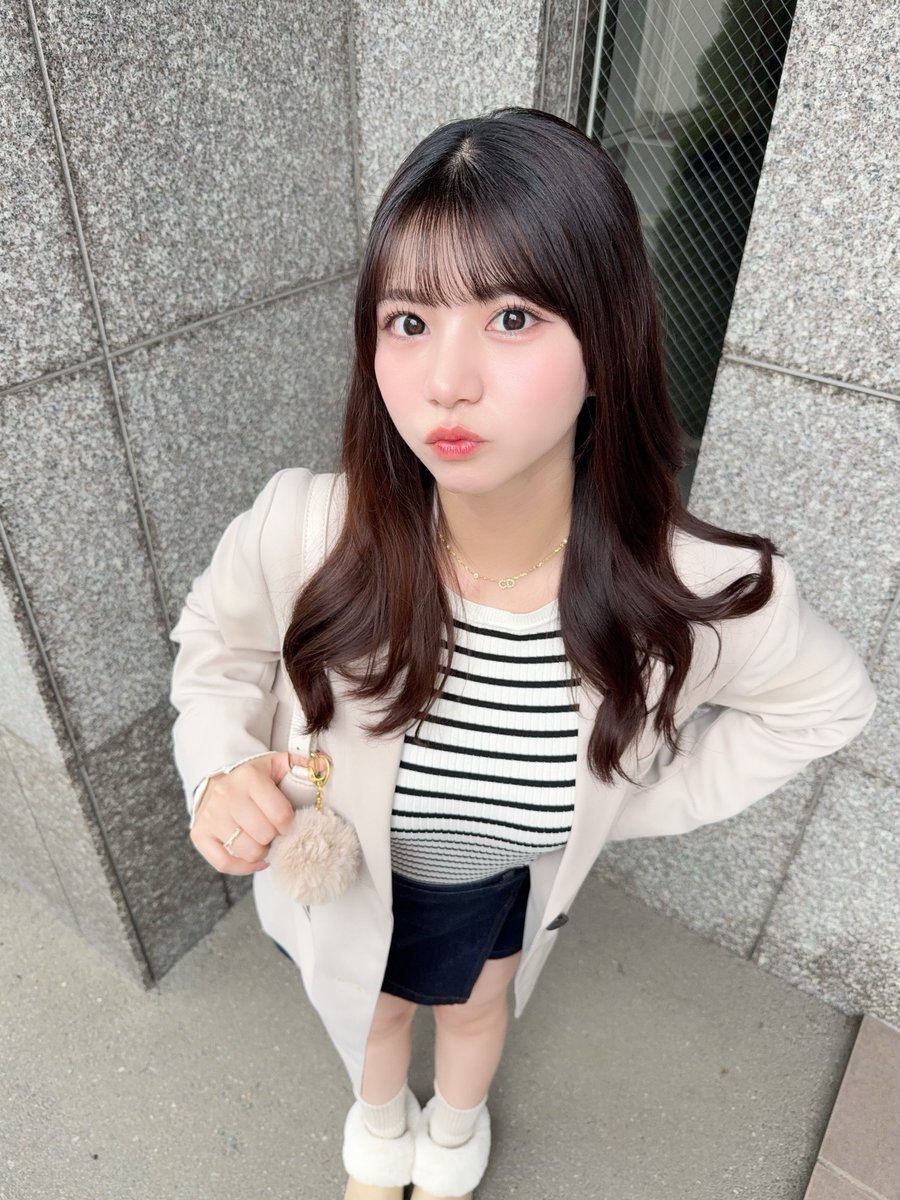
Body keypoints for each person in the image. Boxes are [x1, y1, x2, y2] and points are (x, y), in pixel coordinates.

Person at [169, 107, 877, 1200]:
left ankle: (454, 1142)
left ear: (607, 344)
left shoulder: (689, 589)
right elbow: (217, 649)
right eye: (409, 320)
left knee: (475, 1009)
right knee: (370, 1012)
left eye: (510, 316)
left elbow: (824, 703)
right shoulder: (307, 528)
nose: (446, 381)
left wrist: (625, 799)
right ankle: (377, 1139)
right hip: (344, 880)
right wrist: (218, 768)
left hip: (497, 890)